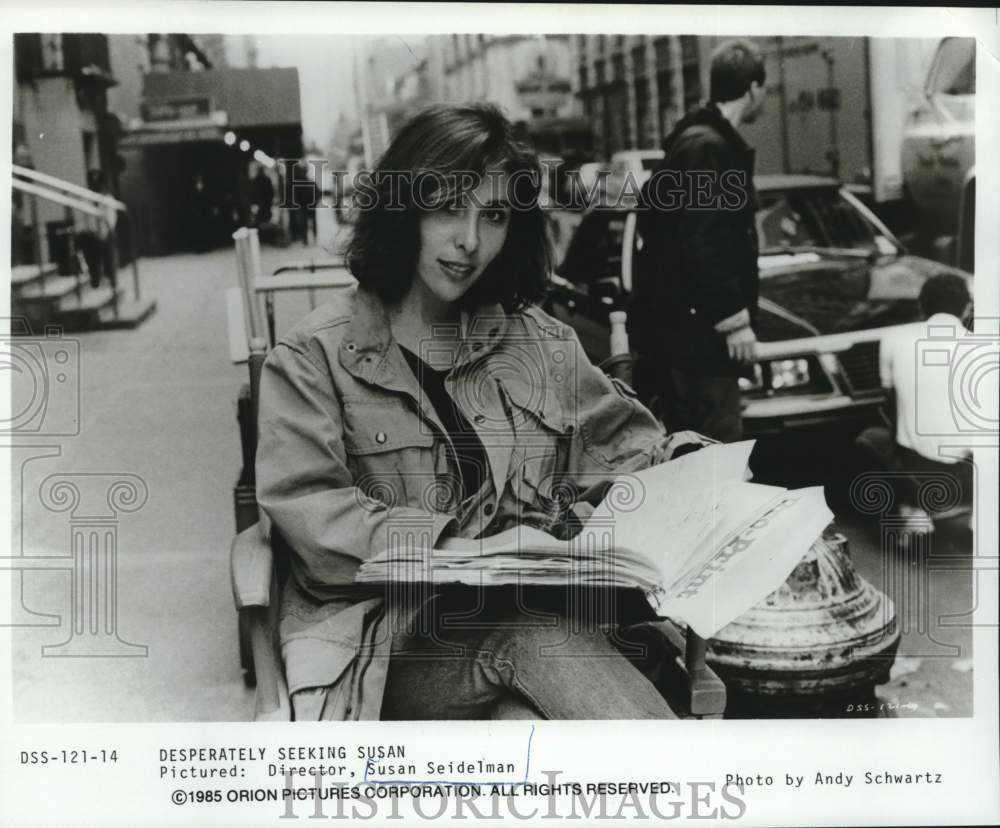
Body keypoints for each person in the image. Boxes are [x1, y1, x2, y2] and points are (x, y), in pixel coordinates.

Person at [255, 103, 713, 721]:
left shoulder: (536, 340)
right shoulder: (313, 357)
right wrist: (462, 551)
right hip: (391, 647)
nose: (469, 241)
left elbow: (628, 445)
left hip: (547, 633)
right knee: (525, 632)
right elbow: (315, 520)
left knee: (525, 726)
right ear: (405, 209)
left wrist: (692, 465)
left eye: (493, 215)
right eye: (447, 207)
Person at [630, 38, 766, 442]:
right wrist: (734, 321)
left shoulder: (695, 143)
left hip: (683, 337)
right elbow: (702, 241)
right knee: (717, 455)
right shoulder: (708, 149)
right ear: (754, 88)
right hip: (700, 344)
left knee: (697, 452)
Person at [854, 273, 976, 530]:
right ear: (967, 309)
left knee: (871, 437)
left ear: (922, 306)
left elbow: (890, 400)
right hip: (972, 474)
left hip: (920, 472)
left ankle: (911, 508)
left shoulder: (894, 339)